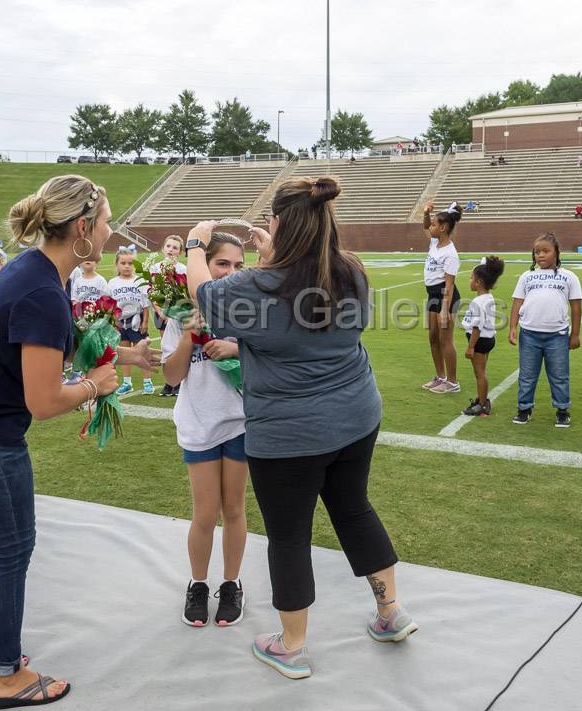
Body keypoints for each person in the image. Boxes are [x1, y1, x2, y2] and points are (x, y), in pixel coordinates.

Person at [0, 173, 156, 707]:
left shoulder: (35, 271)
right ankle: (4, 677)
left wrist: (127, 354)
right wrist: (96, 384)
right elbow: (44, 401)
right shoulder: (42, 287)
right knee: (8, 551)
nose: (112, 230)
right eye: (107, 220)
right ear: (81, 229)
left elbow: (45, 344)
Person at [188, 176, 416, 681]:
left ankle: (291, 646)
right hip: (356, 417)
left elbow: (205, 293)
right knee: (354, 510)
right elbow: (304, 316)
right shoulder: (350, 270)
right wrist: (275, 258)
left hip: (290, 434)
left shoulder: (254, 287)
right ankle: (389, 612)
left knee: (289, 537)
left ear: (278, 222)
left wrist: (195, 244)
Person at [161, 232, 249, 628]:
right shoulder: (181, 310)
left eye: (238, 266)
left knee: (234, 509)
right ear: (204, 267)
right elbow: (173, 375)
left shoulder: (247, 308)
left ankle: (231, 584)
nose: (231, 272)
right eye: (222, 264)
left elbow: (269, 364)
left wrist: (236, 349)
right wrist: (187, 336)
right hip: (198, 422)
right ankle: (198, 584)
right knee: (204, 513)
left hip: (240, 423)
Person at [508, 233, 582, 427]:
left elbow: (576, 306)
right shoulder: (527, 276)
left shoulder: (569, 277)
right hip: (529, 334)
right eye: (537, 252)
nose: (540, 255)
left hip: (557, 336)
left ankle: (562, 410)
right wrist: (512, 327)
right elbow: (517, 302)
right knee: (527, 374)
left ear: (557, 253)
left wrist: (575, 334)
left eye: (545, 251)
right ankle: (524, 408)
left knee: (559, 375)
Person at [420, 201, 463, 394]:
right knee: (433, 337)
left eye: (435, 225)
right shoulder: (434, 243)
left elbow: (449, 284)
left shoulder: (450, 254)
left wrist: (445, 309)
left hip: (445, 297)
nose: (431, 227)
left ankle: (452, 382)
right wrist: (426, 214)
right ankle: (440, 377)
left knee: (445, 339)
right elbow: (424, 227)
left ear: (443, 228)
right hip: (432, 295)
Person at [460, 256, 505, 418]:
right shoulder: (488, 298)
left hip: (479, 341)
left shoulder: (478, 302)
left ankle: (482, 405)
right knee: (482, 372)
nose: (470, 281)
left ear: (478, 282)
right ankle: (482, 398)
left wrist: (471, 346)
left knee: (479, 373)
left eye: (471, 278)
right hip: (488, 339)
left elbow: (477, 327)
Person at [108, 247, 154, 395]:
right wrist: (113, 323)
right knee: (125, 352)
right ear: (117, 265)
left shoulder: (139, 280)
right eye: (123, 263)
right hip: (120, 322)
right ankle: (127, 382)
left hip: (137, 320)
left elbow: (146, 304)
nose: (127, 266)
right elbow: (110, 305)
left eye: (130, 263)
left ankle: (148, 382)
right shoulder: (113, 282)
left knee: (142, 350)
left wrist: (145, 322)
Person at [150, 235, 188, 397]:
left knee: (178, 345)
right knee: (166, 345)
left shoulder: (182, 270)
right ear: (163, 248)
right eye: (169, 246)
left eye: (175, 248)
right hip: (161, 311)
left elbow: (185, 292)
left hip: (178, 312)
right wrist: (160, 311)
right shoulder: (155, 268)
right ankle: (169, 381)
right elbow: (152, 292)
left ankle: (179, 380)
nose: (171, 250)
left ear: (179, 252)